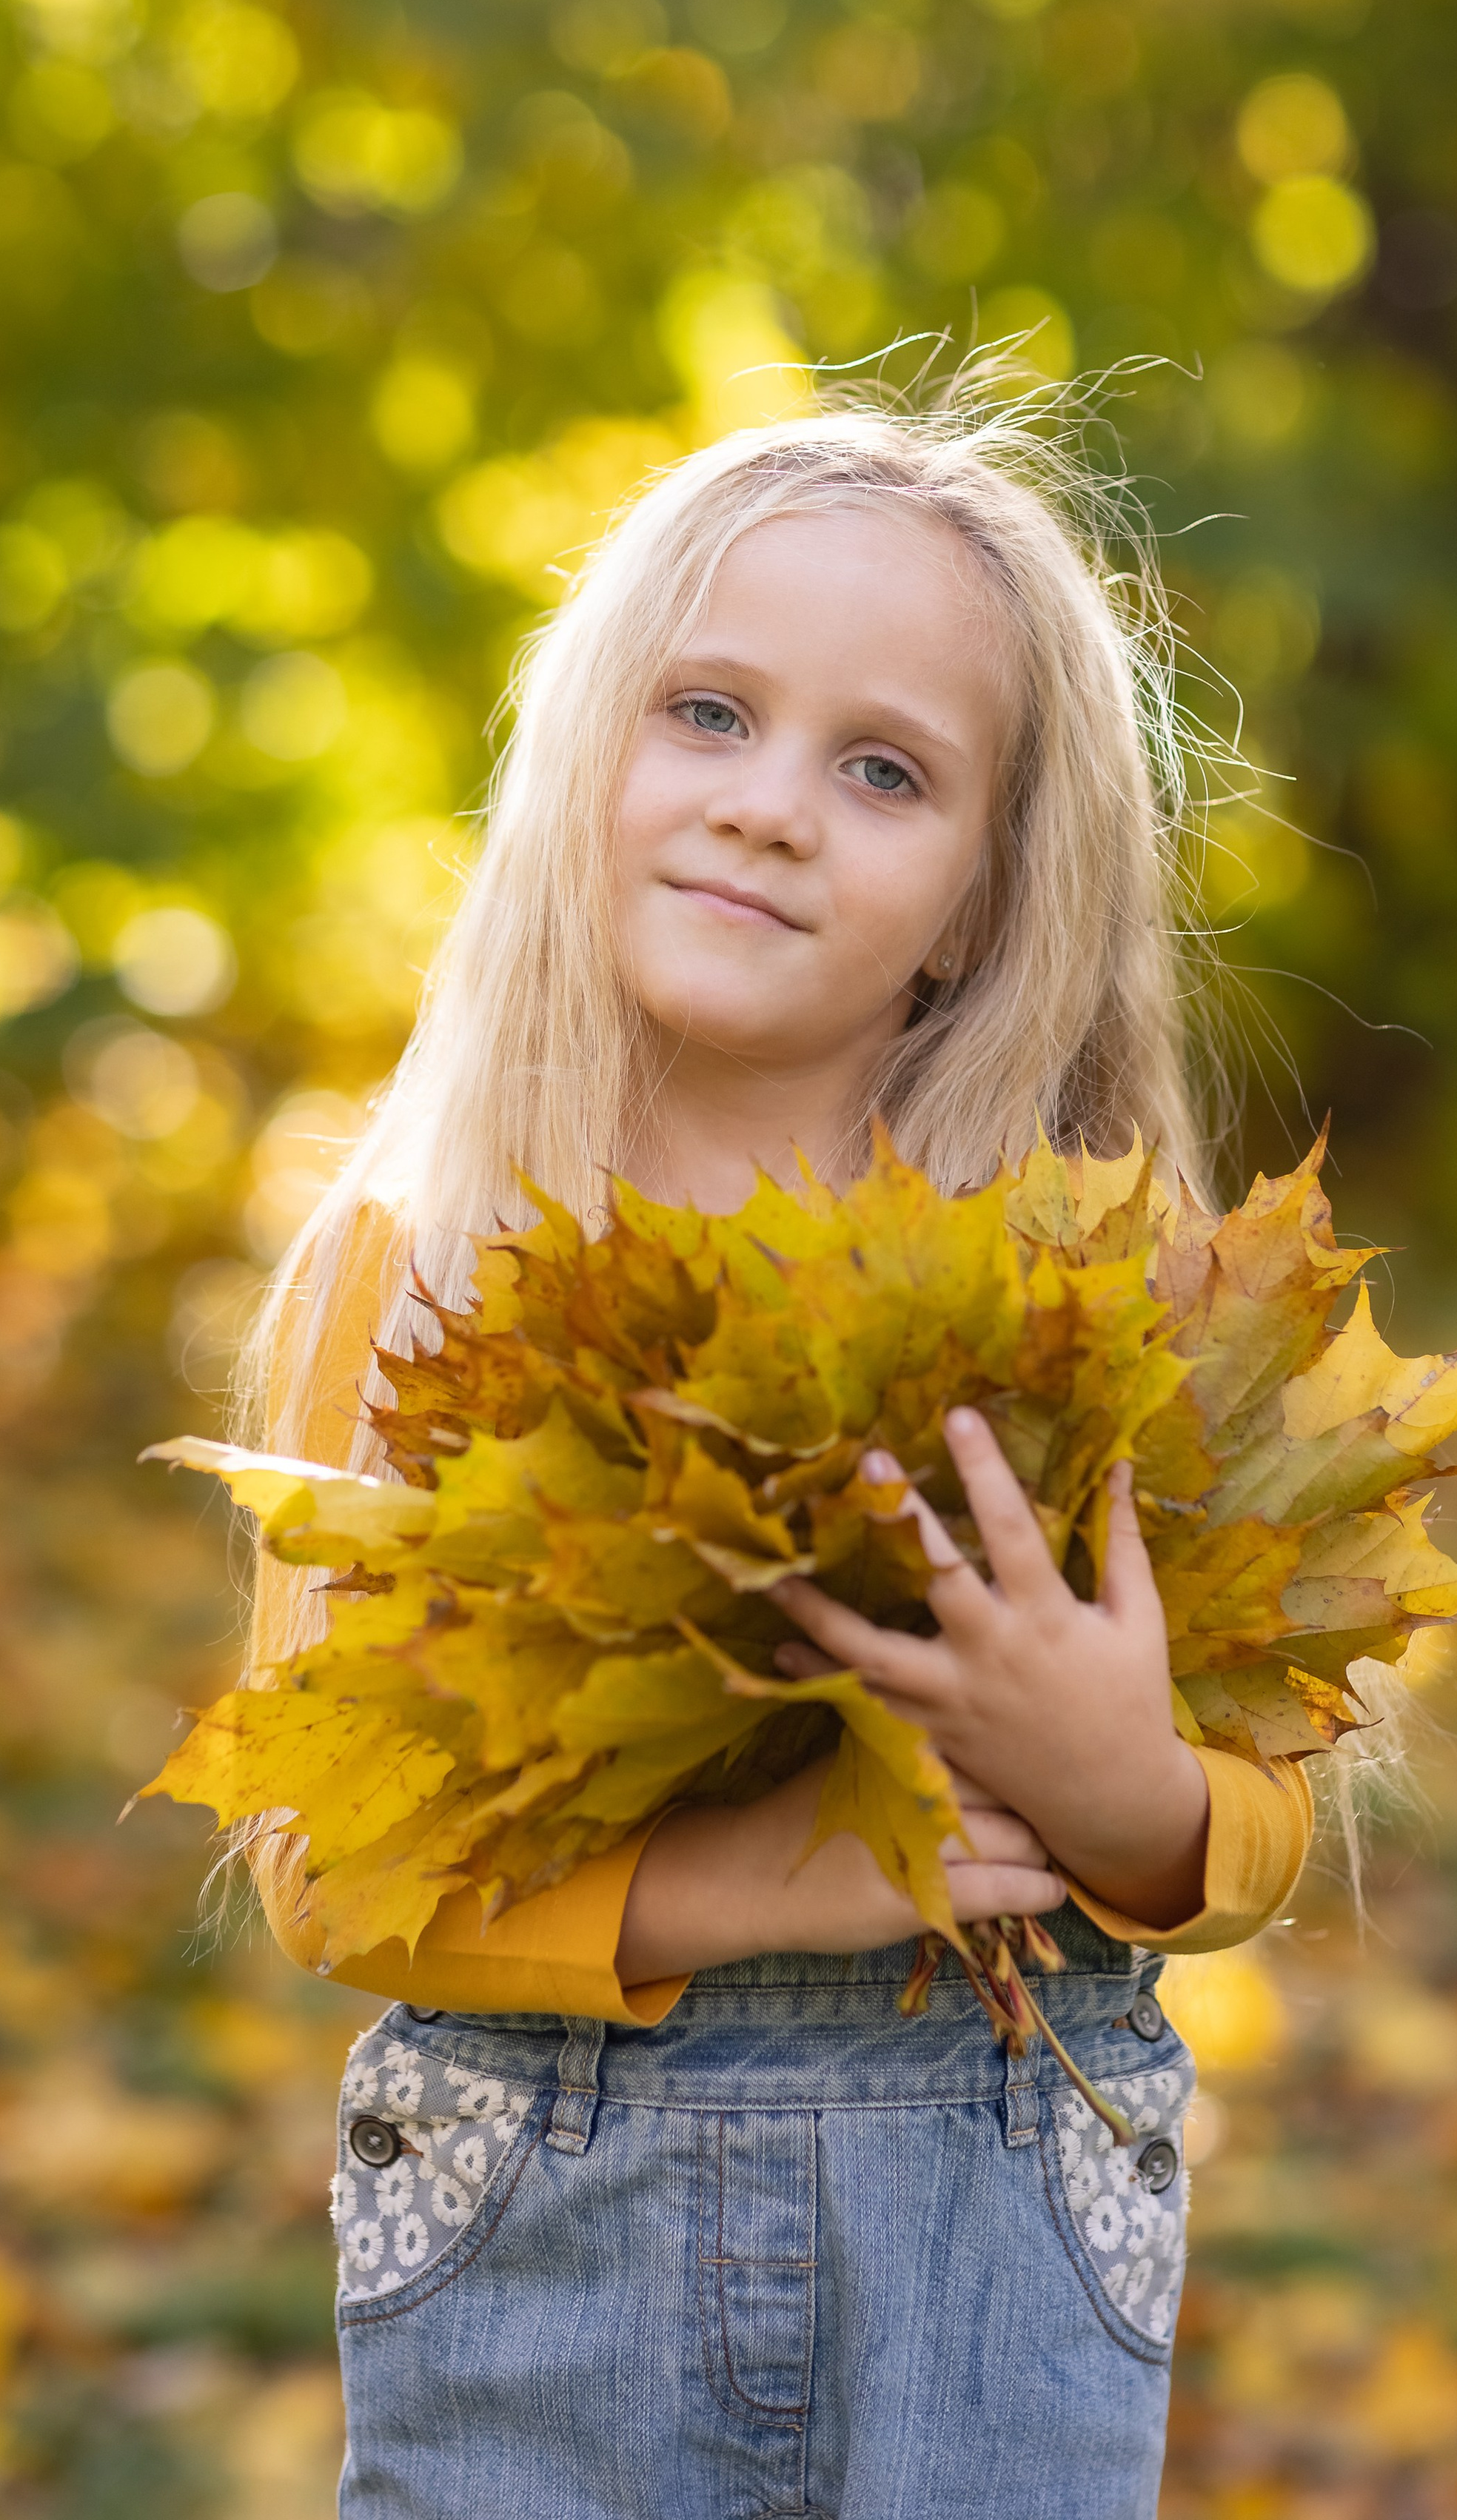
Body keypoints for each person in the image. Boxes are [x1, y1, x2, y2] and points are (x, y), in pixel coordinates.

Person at [240, 397, 1313, 2519]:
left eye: (883, 769)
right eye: (708, 713)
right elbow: (323, 1862)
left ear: (982, 903)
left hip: (991, 2227)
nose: (769, 810)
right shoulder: (425, 1259)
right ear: (581, 767)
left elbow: (1273, 1793)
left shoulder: (1076, 1300)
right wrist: (757, 1887)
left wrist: (1133, 1796)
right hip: (536, 2220)